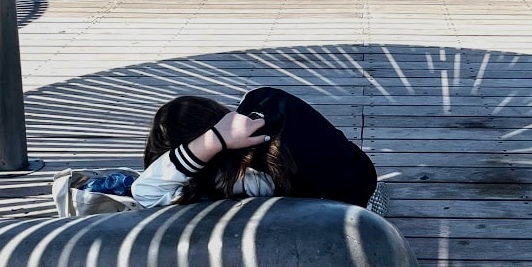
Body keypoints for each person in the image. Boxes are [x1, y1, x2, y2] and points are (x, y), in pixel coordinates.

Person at [131, 86, 379, 210]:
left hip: (336, 220)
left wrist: (213, 141)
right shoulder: (265, 100)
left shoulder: (234, 180)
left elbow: (144, 192)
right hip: (361, 184)